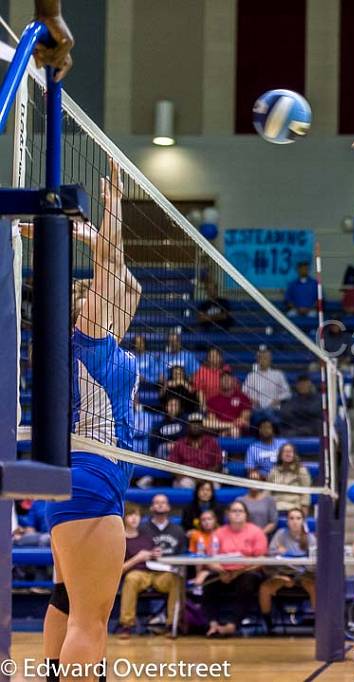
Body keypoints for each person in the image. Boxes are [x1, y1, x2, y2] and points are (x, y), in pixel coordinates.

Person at [43, 160, 141, 678]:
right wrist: (113, 211)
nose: (118, 299)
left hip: (81, 476)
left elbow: (128, 283)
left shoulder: (102, 347)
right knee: (91, 620)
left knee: (66, 596)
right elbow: (112, 270)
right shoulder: (88, 340)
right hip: (92, 477)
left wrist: (98, 245)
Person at [201, 501, 268, 637]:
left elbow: (261, 559)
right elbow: (209, 559)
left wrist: (238, 572)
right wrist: (221, 571)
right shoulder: (219, 533)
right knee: (209, 582)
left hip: (246, 572)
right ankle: (212, 625)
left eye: (240, 511)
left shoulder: (256, 532)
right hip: (224, 573)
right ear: (228, 514)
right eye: (234, 511)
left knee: (247, 583)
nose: (237, 514)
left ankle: (231, 625)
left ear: (246, 515)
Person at [114, 503, 181, 640]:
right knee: (131, 579)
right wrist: (137, 558)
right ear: (124, 517)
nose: (134, 518)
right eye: (130, 515)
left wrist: (156, 554)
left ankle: (171, 624)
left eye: (137, 515)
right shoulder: (119, 539)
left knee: (174, 578)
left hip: (155, 572)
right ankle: (126, 624)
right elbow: (118, 570)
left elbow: (153, 557)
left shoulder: (146, 537)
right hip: (136, 573)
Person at [260, 507, 317, 634]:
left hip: (303, 574)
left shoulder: (310, 538)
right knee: (265, 589)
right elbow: (270, 554)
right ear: (287, 521)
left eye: (298, 518)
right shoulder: (280, 534)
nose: (295, 521)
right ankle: (268, 625)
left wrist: (288, 554)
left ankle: (318, 624)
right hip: (283, 573)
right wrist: (278, 554)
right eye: (291, 518)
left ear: (303, 521)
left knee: (314, 587)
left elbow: (315, 562)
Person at [168, 413, 223, 487]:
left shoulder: (211, 442)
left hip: (207, 477)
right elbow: (173, 465)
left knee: (215, 485)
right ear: (188, 426)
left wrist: (205, 477)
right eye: (193, 424)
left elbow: (218, 463)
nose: (196, 426)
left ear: (202, 426)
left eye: (198, 424)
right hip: (186, 477)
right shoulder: (180, 443)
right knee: (185, 484)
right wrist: (184, 477)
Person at [242, 347, 292, 421]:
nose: (263, 360)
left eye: (266, 357)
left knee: (269, 414)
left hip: (273, 409)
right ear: (257, 360)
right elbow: (243, 393)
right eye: (261, 357)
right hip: (256, 409)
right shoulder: (251, 376)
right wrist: (251, 400)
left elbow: (287, 393)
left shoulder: (278, 374)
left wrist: (277, 400)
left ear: (270, 359)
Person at [267, 443, 313, 513]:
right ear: (280, 455)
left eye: (290, 451)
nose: (288, 453)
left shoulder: (301, 471)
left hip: (294, 507)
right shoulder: (274, 471)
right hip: (275, 506)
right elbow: (267, 491)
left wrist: (304, 510)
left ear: (294, 455)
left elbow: (305, 493)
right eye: (285, 451)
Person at [205, 372, 253, 438]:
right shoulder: (212, 400)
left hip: (239, 429)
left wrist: (232, 427)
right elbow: (212, 420)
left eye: (228, 379)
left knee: (234, 430)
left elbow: (244, 418)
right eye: (223, 379)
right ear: (219, 382)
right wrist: (229, 426)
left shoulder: (243, 397)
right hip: (220, 429)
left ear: (233, 381)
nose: (226, 381)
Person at [148, 396, 186, 460]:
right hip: (164, 452)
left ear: (179, 407)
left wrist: (176, 444)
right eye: (170, 405)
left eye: (175, 405)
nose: (172, 408)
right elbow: (155, 439)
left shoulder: (184, 421)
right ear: (166, 407)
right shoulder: (161, 424)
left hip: (181, 450)